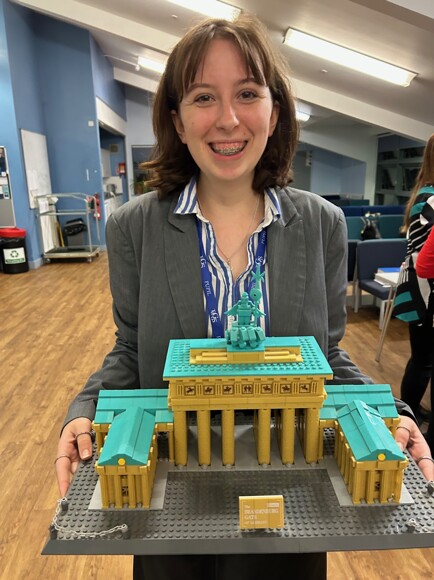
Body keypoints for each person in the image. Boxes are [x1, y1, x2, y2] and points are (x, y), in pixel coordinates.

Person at [55, 14, 434, 580]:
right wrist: (85, 411)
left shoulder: (321, 225)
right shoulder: (134, 227)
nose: (228, 119)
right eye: (203, 96)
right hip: (171, 501)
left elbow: (327, 355)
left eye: (248, 93)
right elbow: (131, 349)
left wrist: (389, 413)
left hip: (293, 499)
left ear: (274, 112)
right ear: (178, 119)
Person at [400, 134, 434, 453]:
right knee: (423, 361)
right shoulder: (431, 197)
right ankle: (407, 414)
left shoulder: (424, 192)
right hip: (424, 290)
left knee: (422, 359)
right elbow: (426, 256)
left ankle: (409, 411)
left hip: (418, 287)